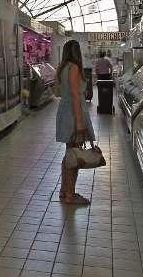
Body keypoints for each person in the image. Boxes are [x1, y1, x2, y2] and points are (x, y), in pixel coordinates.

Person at [56, 40, 95, 205]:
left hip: (65, 112)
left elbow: (61, 92)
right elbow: (74, 95)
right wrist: (79, 122)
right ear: (77, 52)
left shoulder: (62, 68)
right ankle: (70, 195)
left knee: (69, 154)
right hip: (73, 114)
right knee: (75, 155)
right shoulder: (74, 68)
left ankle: (64, 191)